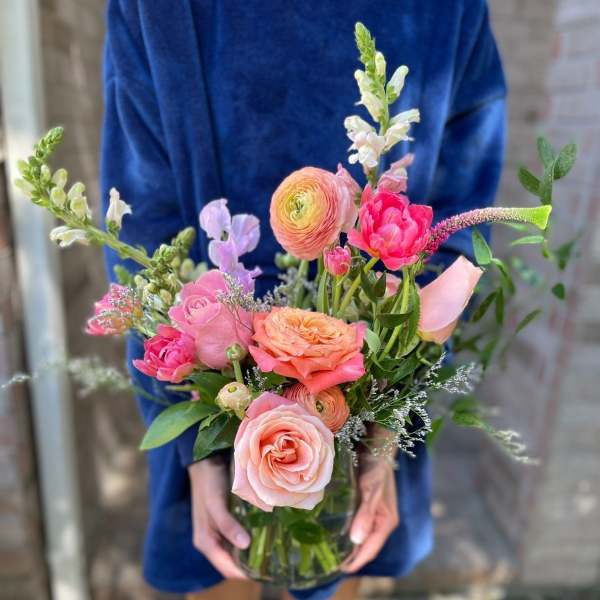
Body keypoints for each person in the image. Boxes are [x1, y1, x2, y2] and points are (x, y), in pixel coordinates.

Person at [100, 2, 506, 599]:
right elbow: (143, 220)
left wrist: (384, 430)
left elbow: (455, 224)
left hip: (369, 391)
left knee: (340, 555)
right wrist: (199, 451)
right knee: (229, 560)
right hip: (214, 386)